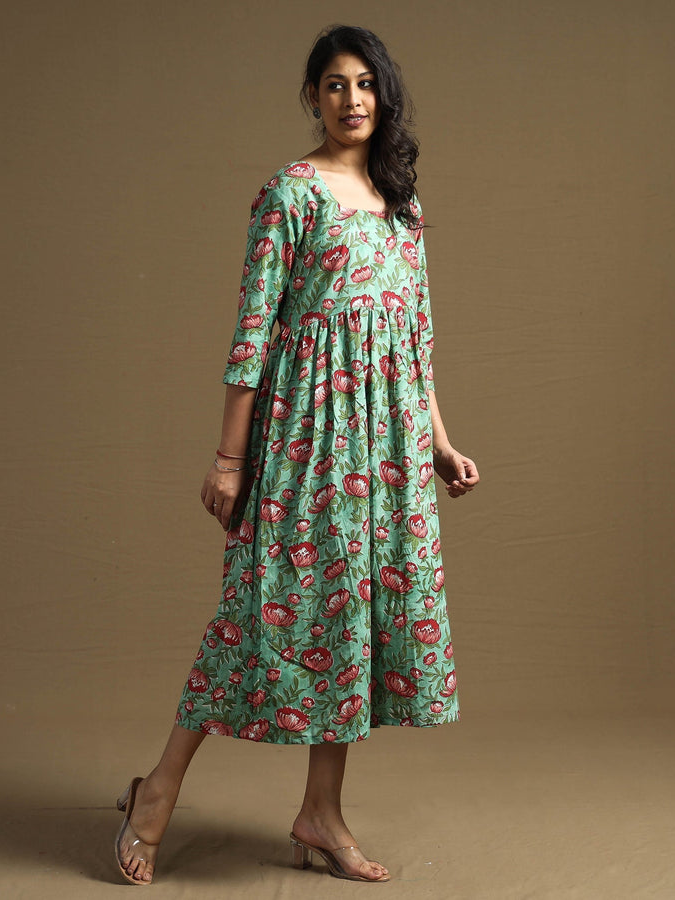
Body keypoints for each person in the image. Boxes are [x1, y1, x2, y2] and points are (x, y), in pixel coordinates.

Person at [115, 23, 480, 885]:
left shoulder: (402, 202)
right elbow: (252, 333)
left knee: (352, 619)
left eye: (366, 83)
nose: (352, 99)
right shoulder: (291, 193)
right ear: (313, 97)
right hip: (309, 438)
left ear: (384, 94)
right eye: (335, 84)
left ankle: (321, 812)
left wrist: (437, 441)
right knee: (259, 612)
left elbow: (416, 338)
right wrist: (229, 460)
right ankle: (158, 790)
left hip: (388, 445)